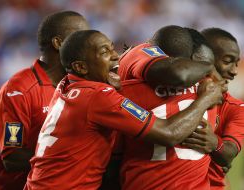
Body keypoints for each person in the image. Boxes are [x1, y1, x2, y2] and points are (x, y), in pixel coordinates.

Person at [24, 30, 224, 190]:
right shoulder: (99, 96)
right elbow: (169, 133)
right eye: (104, 52)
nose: (115, 57)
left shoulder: (65, 86)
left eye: (112, 49)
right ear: (81, 67)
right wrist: (205, 99)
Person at [116, 26, 226, 190]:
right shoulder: (210, 90)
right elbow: (179, 74)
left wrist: (215, 143)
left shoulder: (129, 90)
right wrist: (208, 71)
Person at [0, 11, 89, 190]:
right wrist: (69, 160)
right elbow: (12, 157)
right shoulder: (19, 89)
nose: (89, 43)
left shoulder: (78, 86)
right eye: (80, 37)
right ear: (58, 43)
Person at [183, 27, 244, 190]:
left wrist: (215, 144)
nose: (233, 71)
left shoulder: (235, 108)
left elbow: (228, 154)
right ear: (204, 57)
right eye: (227, 61)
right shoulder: (173, 92)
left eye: (236, 63)